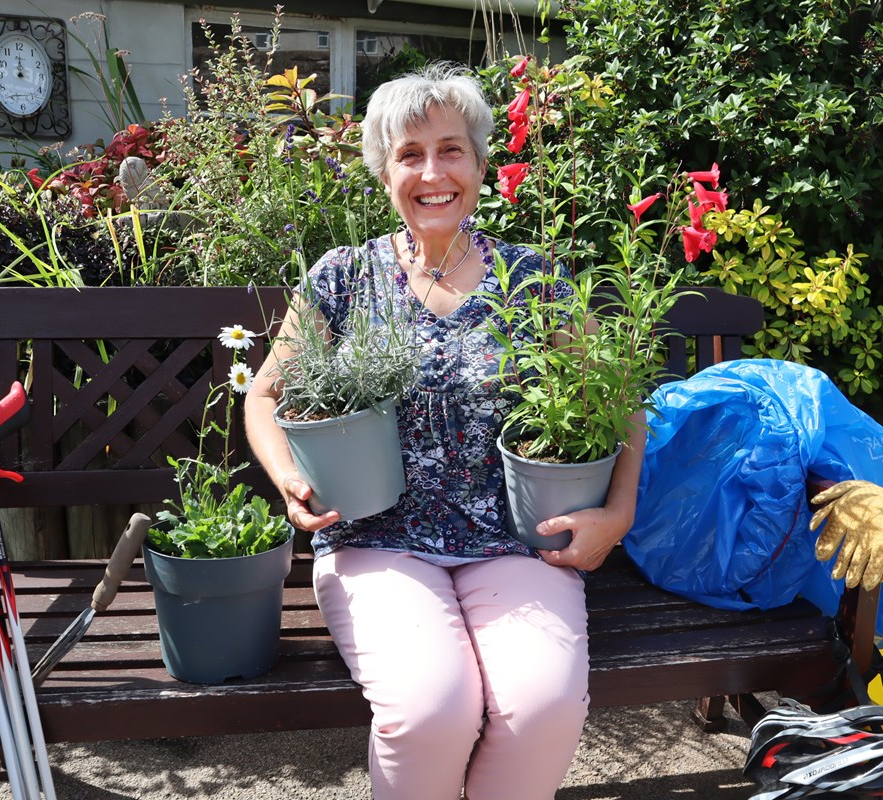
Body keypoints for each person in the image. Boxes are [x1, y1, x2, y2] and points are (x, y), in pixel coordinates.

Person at [245, 63, 646, 800]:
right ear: (382, 170)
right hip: (375, 539)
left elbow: (619, 402)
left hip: (515, 539)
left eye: (451, 149)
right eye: (409, 154)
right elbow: (265, 394)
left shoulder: (534, 277)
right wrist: (289, 480)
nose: (433, 172)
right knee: (431, 709)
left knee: (544, 707)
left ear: (480, 162)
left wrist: (616, 514)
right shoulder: (342, 278)